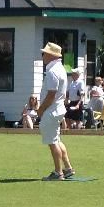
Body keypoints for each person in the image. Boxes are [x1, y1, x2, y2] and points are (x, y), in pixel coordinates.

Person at [38, 42, 75, 180]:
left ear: (50, 55)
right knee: (57, 139)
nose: (42, 56)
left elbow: (51, 94)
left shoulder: (53, 71)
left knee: (53, 142)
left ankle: (58, 172)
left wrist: (41, 109)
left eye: (44, 53)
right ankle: (68, 168)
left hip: (51, 110)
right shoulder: (60, 69)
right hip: (57, 109)